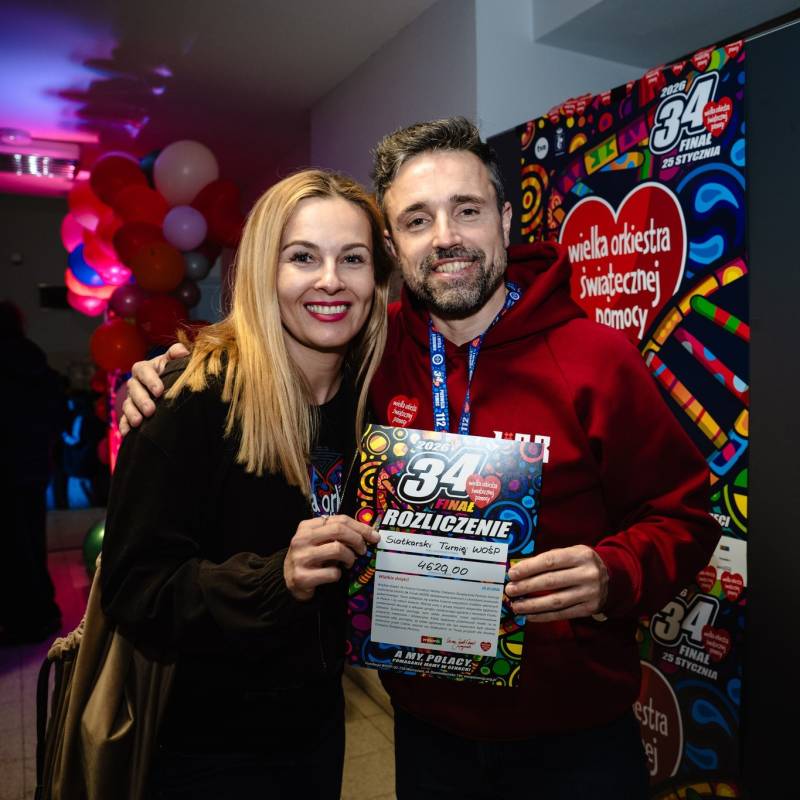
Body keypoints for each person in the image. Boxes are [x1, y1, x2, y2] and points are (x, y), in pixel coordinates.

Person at [121, 118, 721, 799]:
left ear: (504, 219)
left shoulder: (596, 359)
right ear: (393, 245)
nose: (444, 237)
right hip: (426, 731)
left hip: (574, 738)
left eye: (467, 210)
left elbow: (685, 519)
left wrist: (616, 572)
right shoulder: (372, 352)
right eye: (416, 219)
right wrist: (180, 365)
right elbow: (273, 350)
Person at [100, 169, 390, 799]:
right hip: (209, 746)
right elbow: (134, 589)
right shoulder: (192, 398)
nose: (331, 280)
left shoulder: (373, 404)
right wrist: (275, 578)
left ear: (377, 279)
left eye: (353, 258)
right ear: (264, 270)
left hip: (318, 729)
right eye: (302, 257)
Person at [0, 300, 63, 644]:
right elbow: (56, 407)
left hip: (8, 466)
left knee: (13, 548)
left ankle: (25, 619)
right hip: (34, 463)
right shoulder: (34, 359)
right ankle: (43, 613)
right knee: (32, 541)